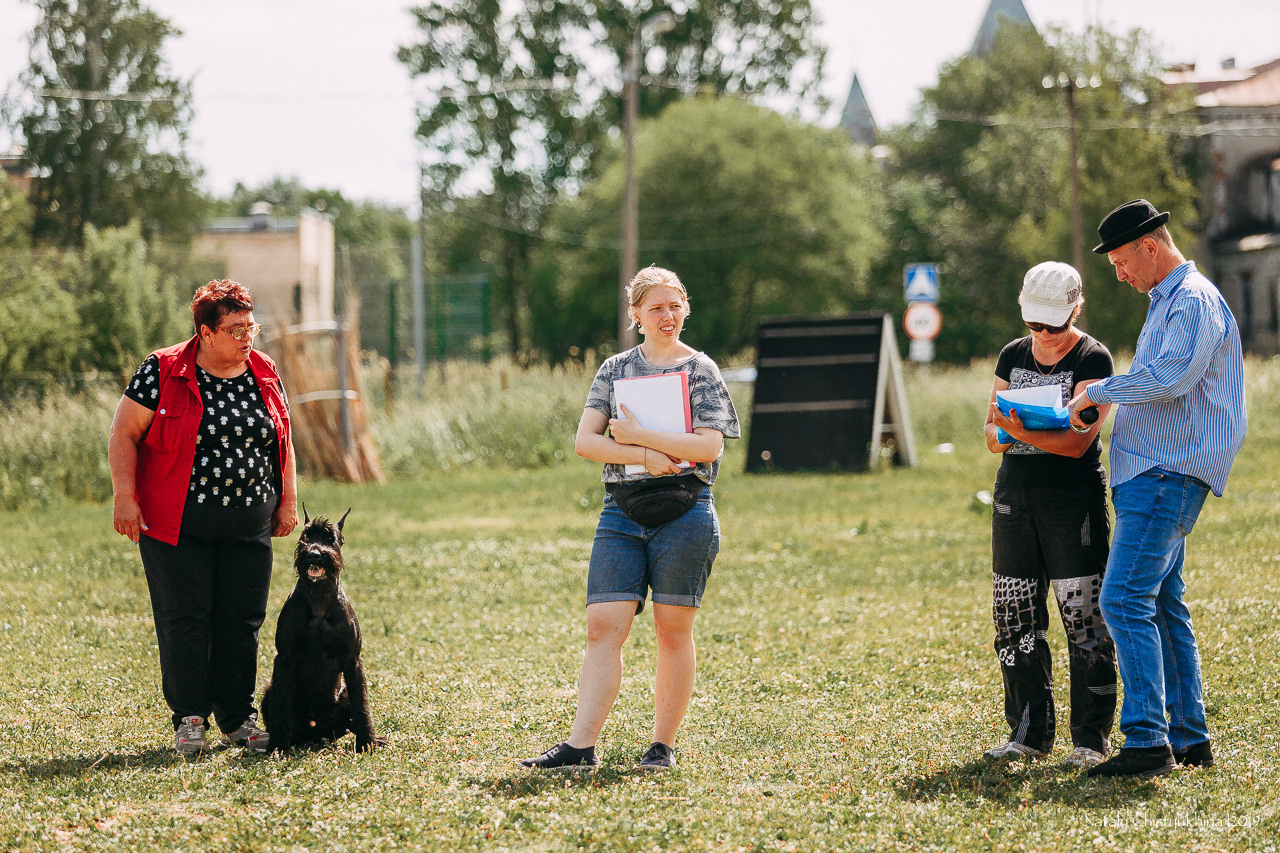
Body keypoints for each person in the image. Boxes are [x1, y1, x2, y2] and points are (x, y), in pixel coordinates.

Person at [520, 266, 740, 770]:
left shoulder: (701, 369)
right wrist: (643, 457)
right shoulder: (616, 369)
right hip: (621, 513)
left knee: (671, 630)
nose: (668, 315)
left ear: (685, 309)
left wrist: (643, 439)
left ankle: (662, 746)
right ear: (636, 315)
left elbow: (708, 445)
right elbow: (586, 441)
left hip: (687, 512)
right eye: (657, 307)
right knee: (603, 626)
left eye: (675, 305)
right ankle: (579, 747)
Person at [1066, 199, 1246, 779]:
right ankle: (1190, 739)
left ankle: (1147, 741)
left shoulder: (1190, 300)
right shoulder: (1168, 301)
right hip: (1155, 472)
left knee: (1121, 600)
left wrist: (1101, 391)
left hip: (1166, 473)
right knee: (1164, 605)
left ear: (1150, 245)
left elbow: (1171, 377)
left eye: (1121, 261)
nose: (1118, 275)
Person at [108, 279, 299, 755]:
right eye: (236, 329)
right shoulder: (163, 369)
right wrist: (124, 497)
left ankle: (239, 719)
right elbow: (123, 434)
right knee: (185, 619)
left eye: (251, 327)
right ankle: (190, 719)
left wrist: (288, 500)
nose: (247, 337)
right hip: (178, 525)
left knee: (241, 621)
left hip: (249, 523)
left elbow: (283, 438)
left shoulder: (264, 370)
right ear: (206, 332)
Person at [983, 261, 1118, 770]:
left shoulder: (1094, 357)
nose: (1044, 336)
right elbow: (991, 434)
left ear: (1075, 310)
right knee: (1013, 615)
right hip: (1014, 495)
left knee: (1084, 618)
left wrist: (1018, 428)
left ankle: (1091, 739)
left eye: (1054, 325)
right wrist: (1014, 430)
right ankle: (1028, 733)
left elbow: (1076, 443)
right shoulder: (1012, 354)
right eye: (1035, 324)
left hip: (1072, 497)